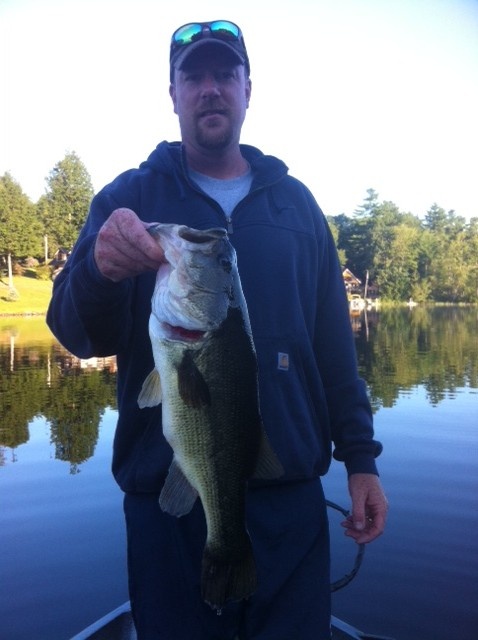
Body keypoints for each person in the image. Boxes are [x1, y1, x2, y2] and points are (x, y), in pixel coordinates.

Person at [47, 19, 388, 640]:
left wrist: (360, 461)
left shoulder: (297, 206)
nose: (210, 89)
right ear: (172, 93)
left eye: (224, 74)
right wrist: (96, 269)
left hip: (289, 503)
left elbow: (335, 353)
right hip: (168, 507)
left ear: (247, 89)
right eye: (194, 76)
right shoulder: (129, 196)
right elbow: (75, 333)